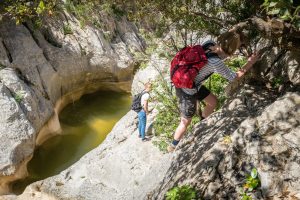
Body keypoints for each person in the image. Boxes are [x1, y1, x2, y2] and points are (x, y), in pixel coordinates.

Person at [167, 32, 260, 152]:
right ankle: (173, 145)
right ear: (232, 49)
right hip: (186, 90)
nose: (239, 50)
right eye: (238, 47)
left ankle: (201, 125)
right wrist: (250, 62)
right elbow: (233, 77)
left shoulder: (209, 43)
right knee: (185, 122)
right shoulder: (215, 62)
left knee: (213, 102)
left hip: (194, 84)